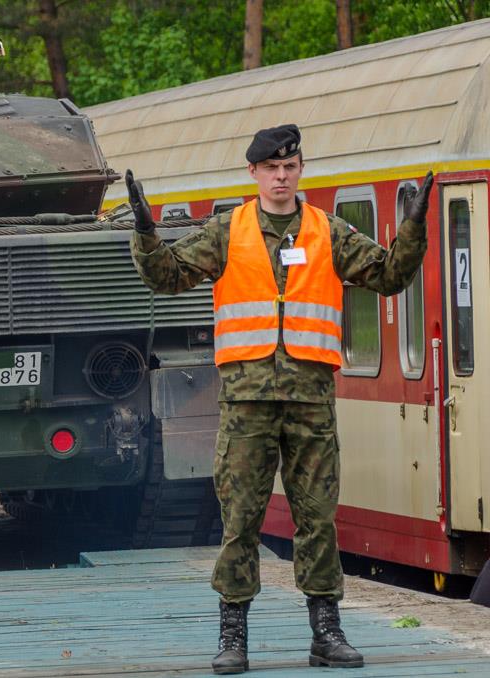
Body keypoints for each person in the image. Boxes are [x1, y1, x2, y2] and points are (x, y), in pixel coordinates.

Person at [126, 124, 431, 675]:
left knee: (318, 518)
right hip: (247, 404)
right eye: (272, 168)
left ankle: (326, 632)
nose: (282, 176)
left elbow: (388, 276)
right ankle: (233, 635)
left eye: (290, 167)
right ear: (255, 174)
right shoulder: (228, 231)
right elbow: (166, 276)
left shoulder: (327, 231)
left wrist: (412, 228)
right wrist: (146, 232)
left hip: (310, 402)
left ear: (300, 171)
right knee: (240, 519)